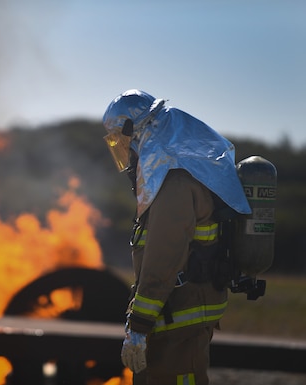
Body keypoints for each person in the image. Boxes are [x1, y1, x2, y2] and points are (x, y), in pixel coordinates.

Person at [102, 89, 251, 385]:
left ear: (140, 132)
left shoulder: (174, 180)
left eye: (124, 141)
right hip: (179, 310)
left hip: (179, 315)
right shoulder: (183, 169)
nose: (126, 153)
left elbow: (162, 260)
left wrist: (139, 328)